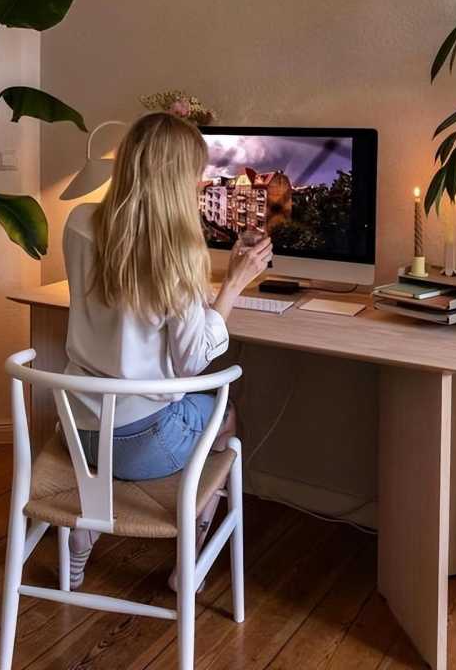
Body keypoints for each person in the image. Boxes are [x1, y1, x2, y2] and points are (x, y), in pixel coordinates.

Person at [62, 111, 272, 589]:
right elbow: (192, 360)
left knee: (163, 415)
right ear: (178, 178)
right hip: (140, 444)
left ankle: (87, 528)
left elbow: (124, 301)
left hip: (77, 428)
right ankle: (187, 564)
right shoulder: (178, 253)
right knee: (227, 418)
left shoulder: (77, 222)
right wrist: (234, 284)